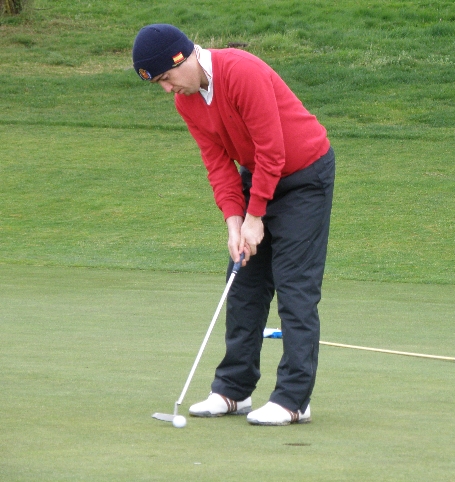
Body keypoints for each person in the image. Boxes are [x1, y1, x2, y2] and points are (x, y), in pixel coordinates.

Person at [132, 24, 335, 424]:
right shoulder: (187, 104)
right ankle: (233, 391)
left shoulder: (242, 71)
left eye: (167, 78)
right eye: (159, 84)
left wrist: (256, 215)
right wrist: (234, 221)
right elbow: (219, 167)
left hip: (304, 176)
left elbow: (272, 148)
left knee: (295, 286)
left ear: (183, 57)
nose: (167, 90)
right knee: (242, 282)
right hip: (258, 175)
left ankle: (294, 399)